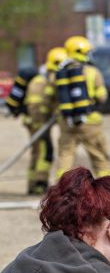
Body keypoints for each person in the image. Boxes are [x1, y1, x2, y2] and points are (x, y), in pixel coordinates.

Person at [55, 35, 110, 180]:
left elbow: (52, 97)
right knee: (99, 157)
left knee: (65, 158)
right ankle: (106, 190)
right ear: (81, 52)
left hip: (66, 123)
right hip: (90, 122)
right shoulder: (93, 72)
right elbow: (102, 97)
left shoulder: (59, 73)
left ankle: (61, 191)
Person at [20, 47, 65, 195]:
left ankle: (33, 184)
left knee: (37, 152)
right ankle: (40, 183)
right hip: (38, 123)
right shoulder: (43, 81)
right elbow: (36, 106)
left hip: (35, 122)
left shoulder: (41, 79)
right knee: (45, 152)